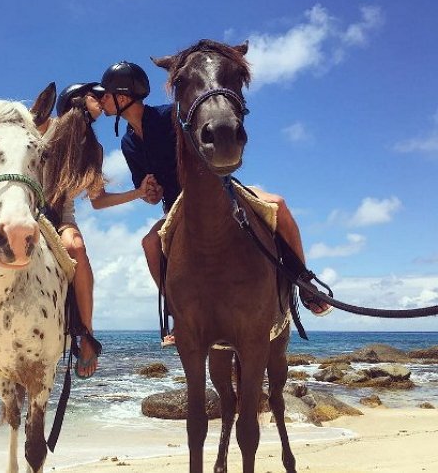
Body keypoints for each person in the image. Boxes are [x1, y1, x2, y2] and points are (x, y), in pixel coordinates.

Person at [0, 82, 154, 378]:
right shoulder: (40, 128)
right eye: (96, 95)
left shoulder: (94, 149)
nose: (103, 101)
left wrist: (138, 193)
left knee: (76, 246)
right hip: (28, 208)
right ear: (75, 100)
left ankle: (86, 334)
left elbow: (98, 201)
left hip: (60, 216)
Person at [97, 61, 332, 345]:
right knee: (149, 244)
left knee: (278, 204)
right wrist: (149, 191)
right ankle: (177, 313)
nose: (102, 100)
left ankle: (304, 282)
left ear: (122, 98)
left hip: (219, 191)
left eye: (106, 95)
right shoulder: (128, 144)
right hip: (176, 209)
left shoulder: (170, 117)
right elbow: (150, 191)